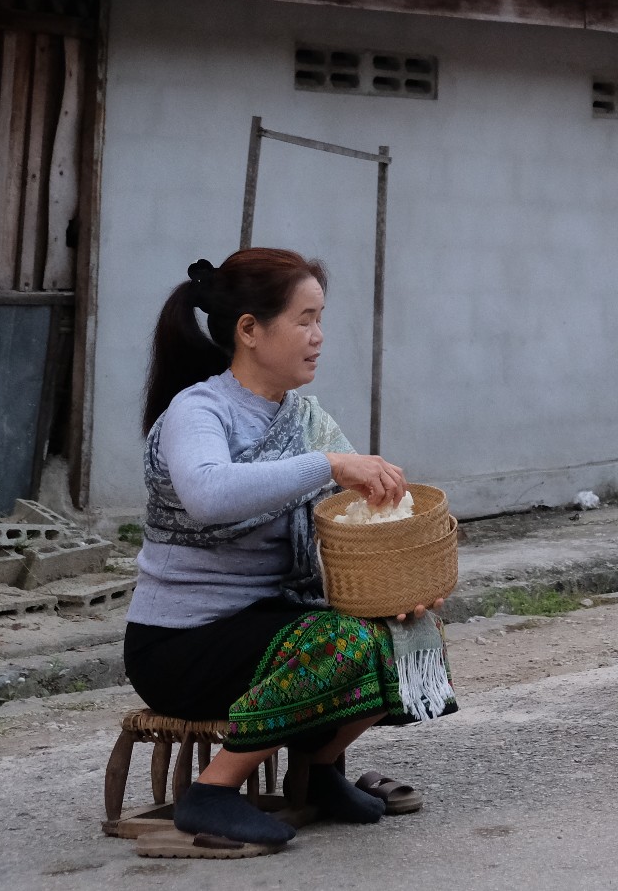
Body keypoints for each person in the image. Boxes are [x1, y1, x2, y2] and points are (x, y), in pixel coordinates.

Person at [125, 249, 447, 852]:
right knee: (344, 644)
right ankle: (212, 792)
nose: (318, 336)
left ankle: (318, 771)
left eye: (320, 318)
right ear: (250, 329)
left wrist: (405, 590)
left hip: (268, 624)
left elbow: (357, 522)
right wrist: (327, 464)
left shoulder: (306, 418)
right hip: (182, 643)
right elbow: (208, 495)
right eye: (304, 319)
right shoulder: (199, 411)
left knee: (411, 635)